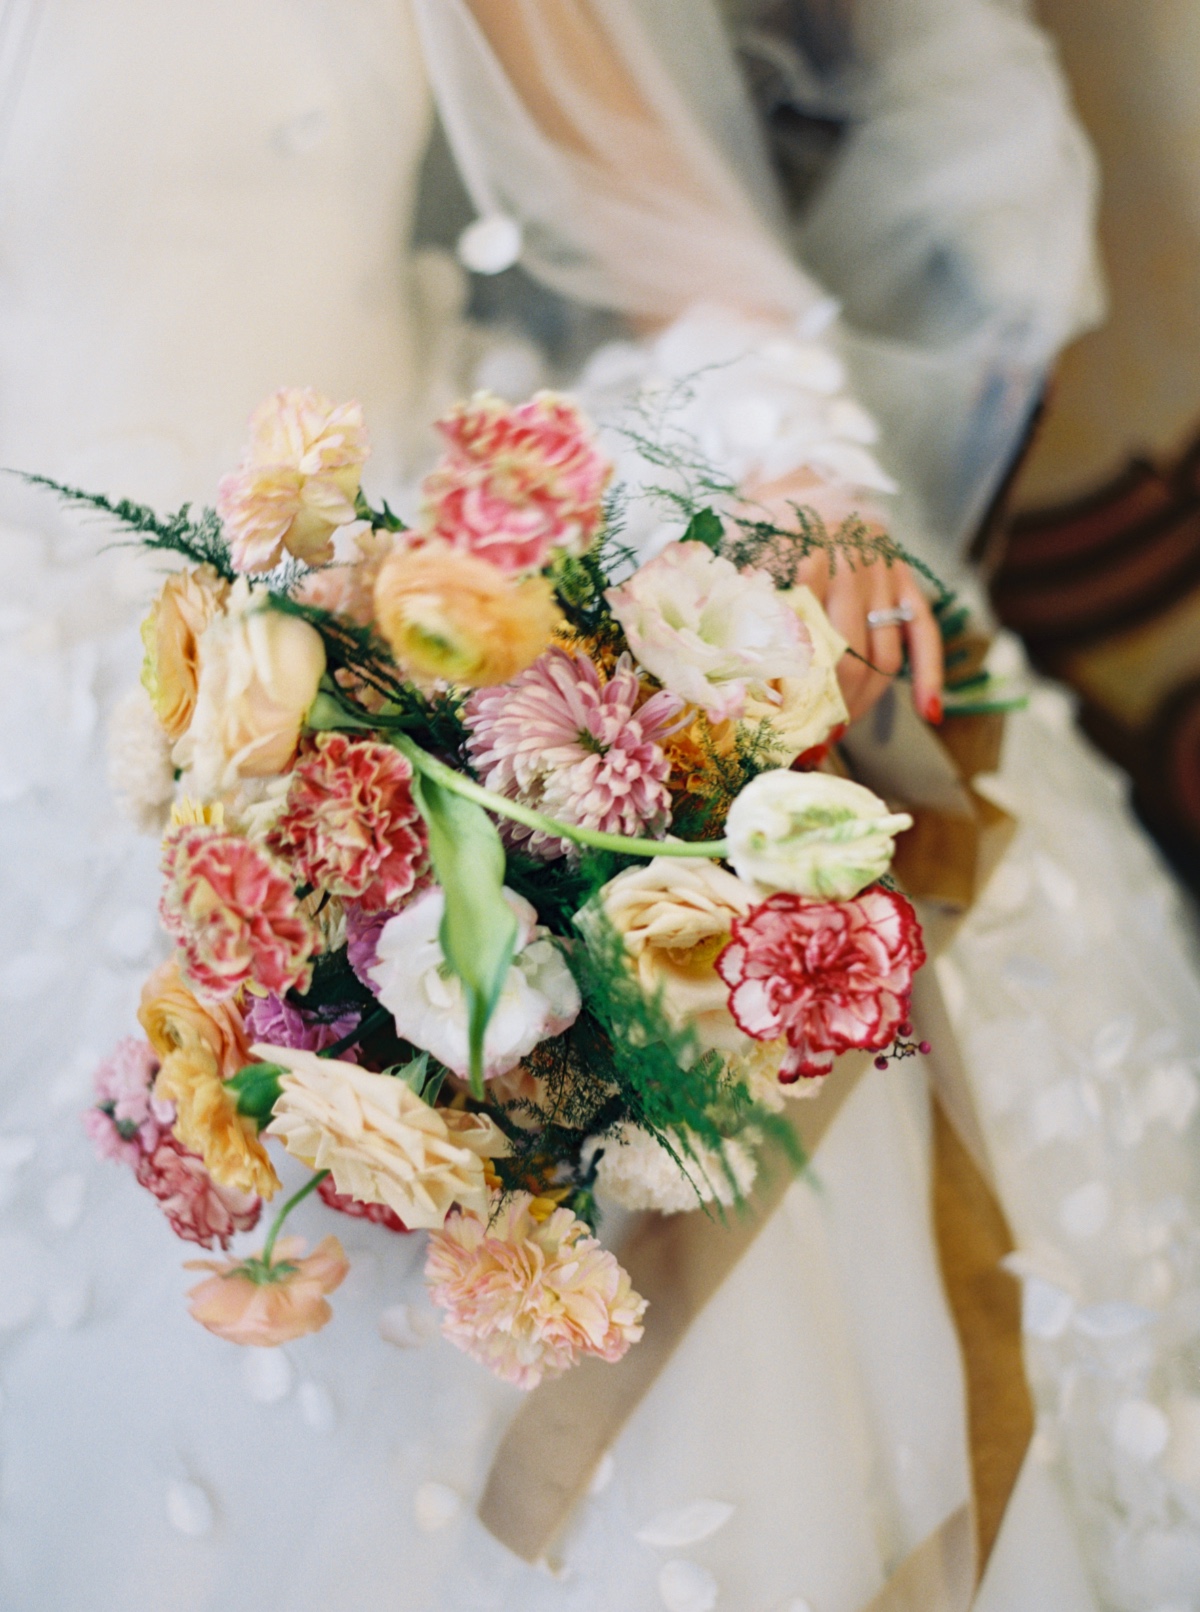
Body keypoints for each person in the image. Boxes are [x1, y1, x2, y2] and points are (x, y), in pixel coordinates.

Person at [0, 2, 1189, 1608]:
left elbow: (689, 247)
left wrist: (795, 492)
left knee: (758, 967)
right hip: (79, 746)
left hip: (372, 588)